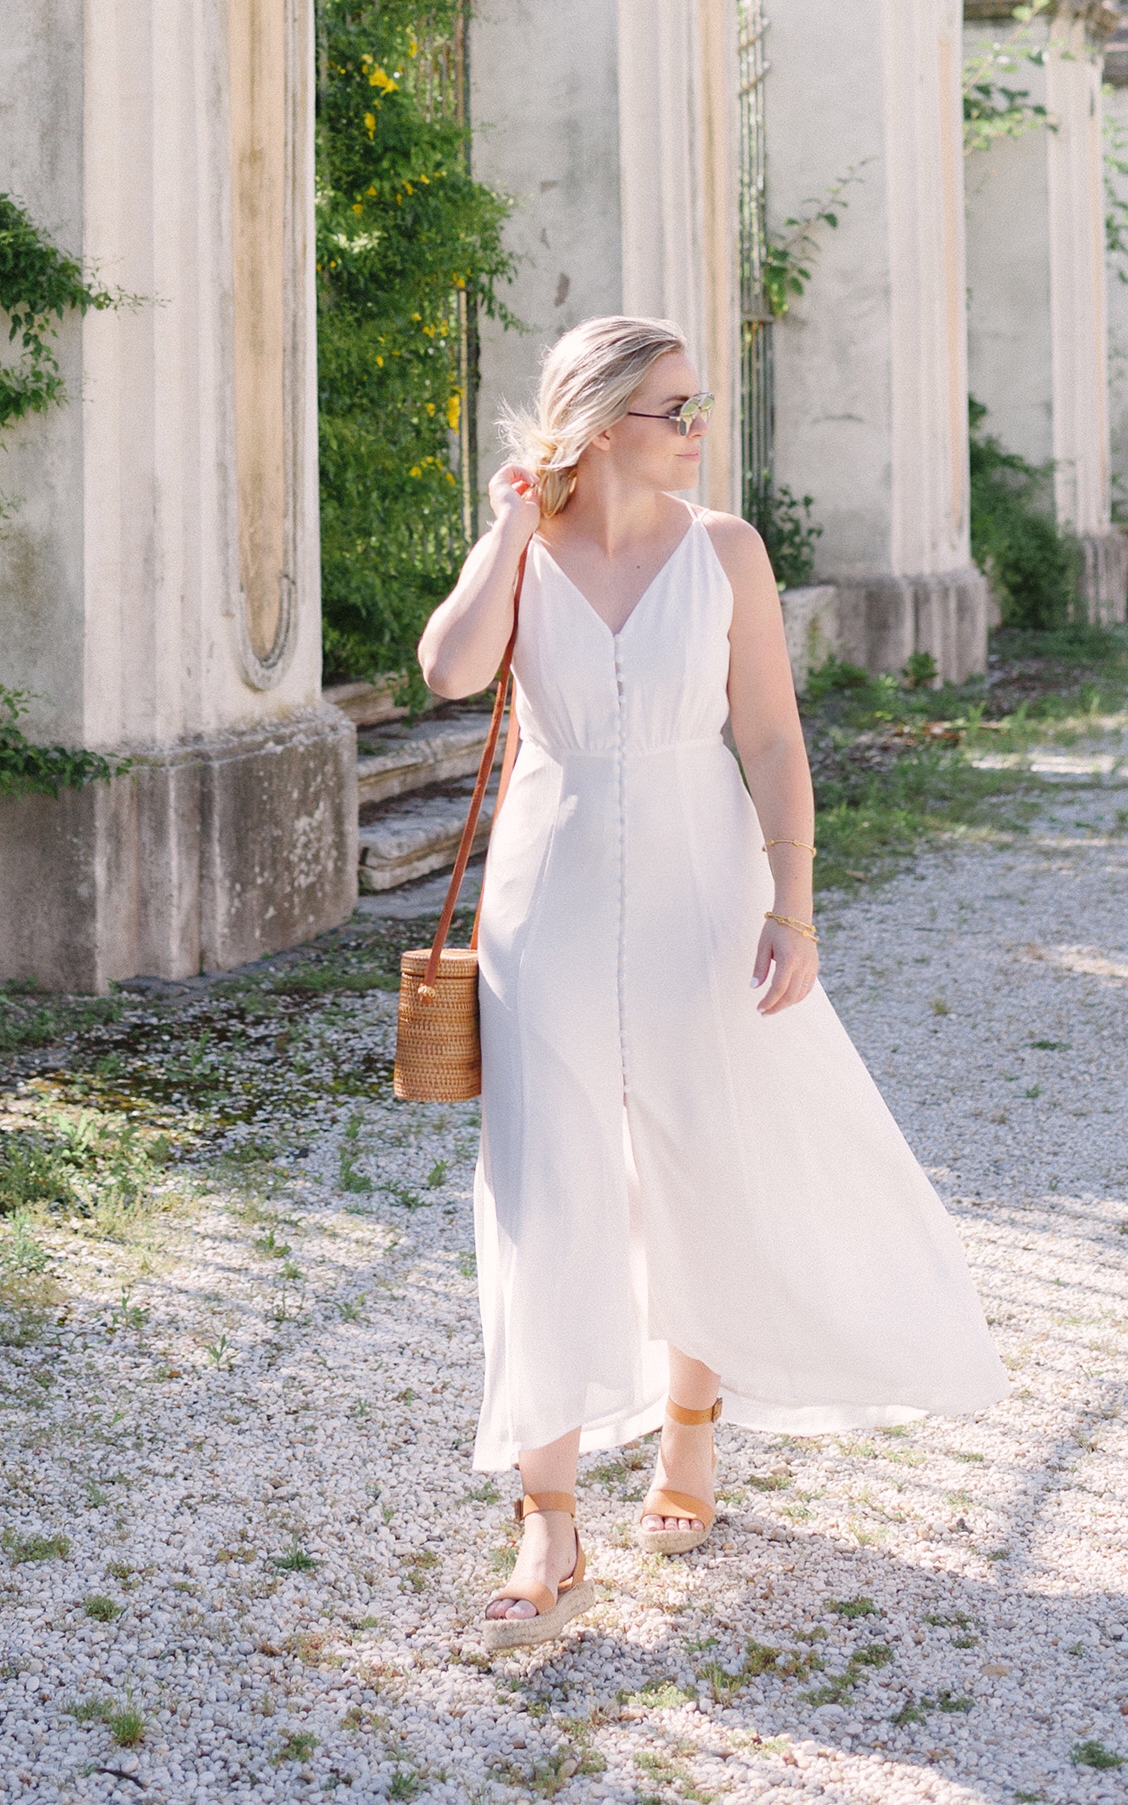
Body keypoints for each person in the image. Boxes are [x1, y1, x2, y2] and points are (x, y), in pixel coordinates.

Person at [419, 316, 1006, 1653]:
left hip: (704, 883)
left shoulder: (725, 549)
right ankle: (547, 1516)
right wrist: (507, 534)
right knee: (544, 1182)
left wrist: (792, 903)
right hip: (547, 897)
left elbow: (770, 735)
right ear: (598, 424)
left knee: (701, 1155)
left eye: (698, 408)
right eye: (675, 409)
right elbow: (448, 671)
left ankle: (690, 1426)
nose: (698, 430)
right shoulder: (529, 546)